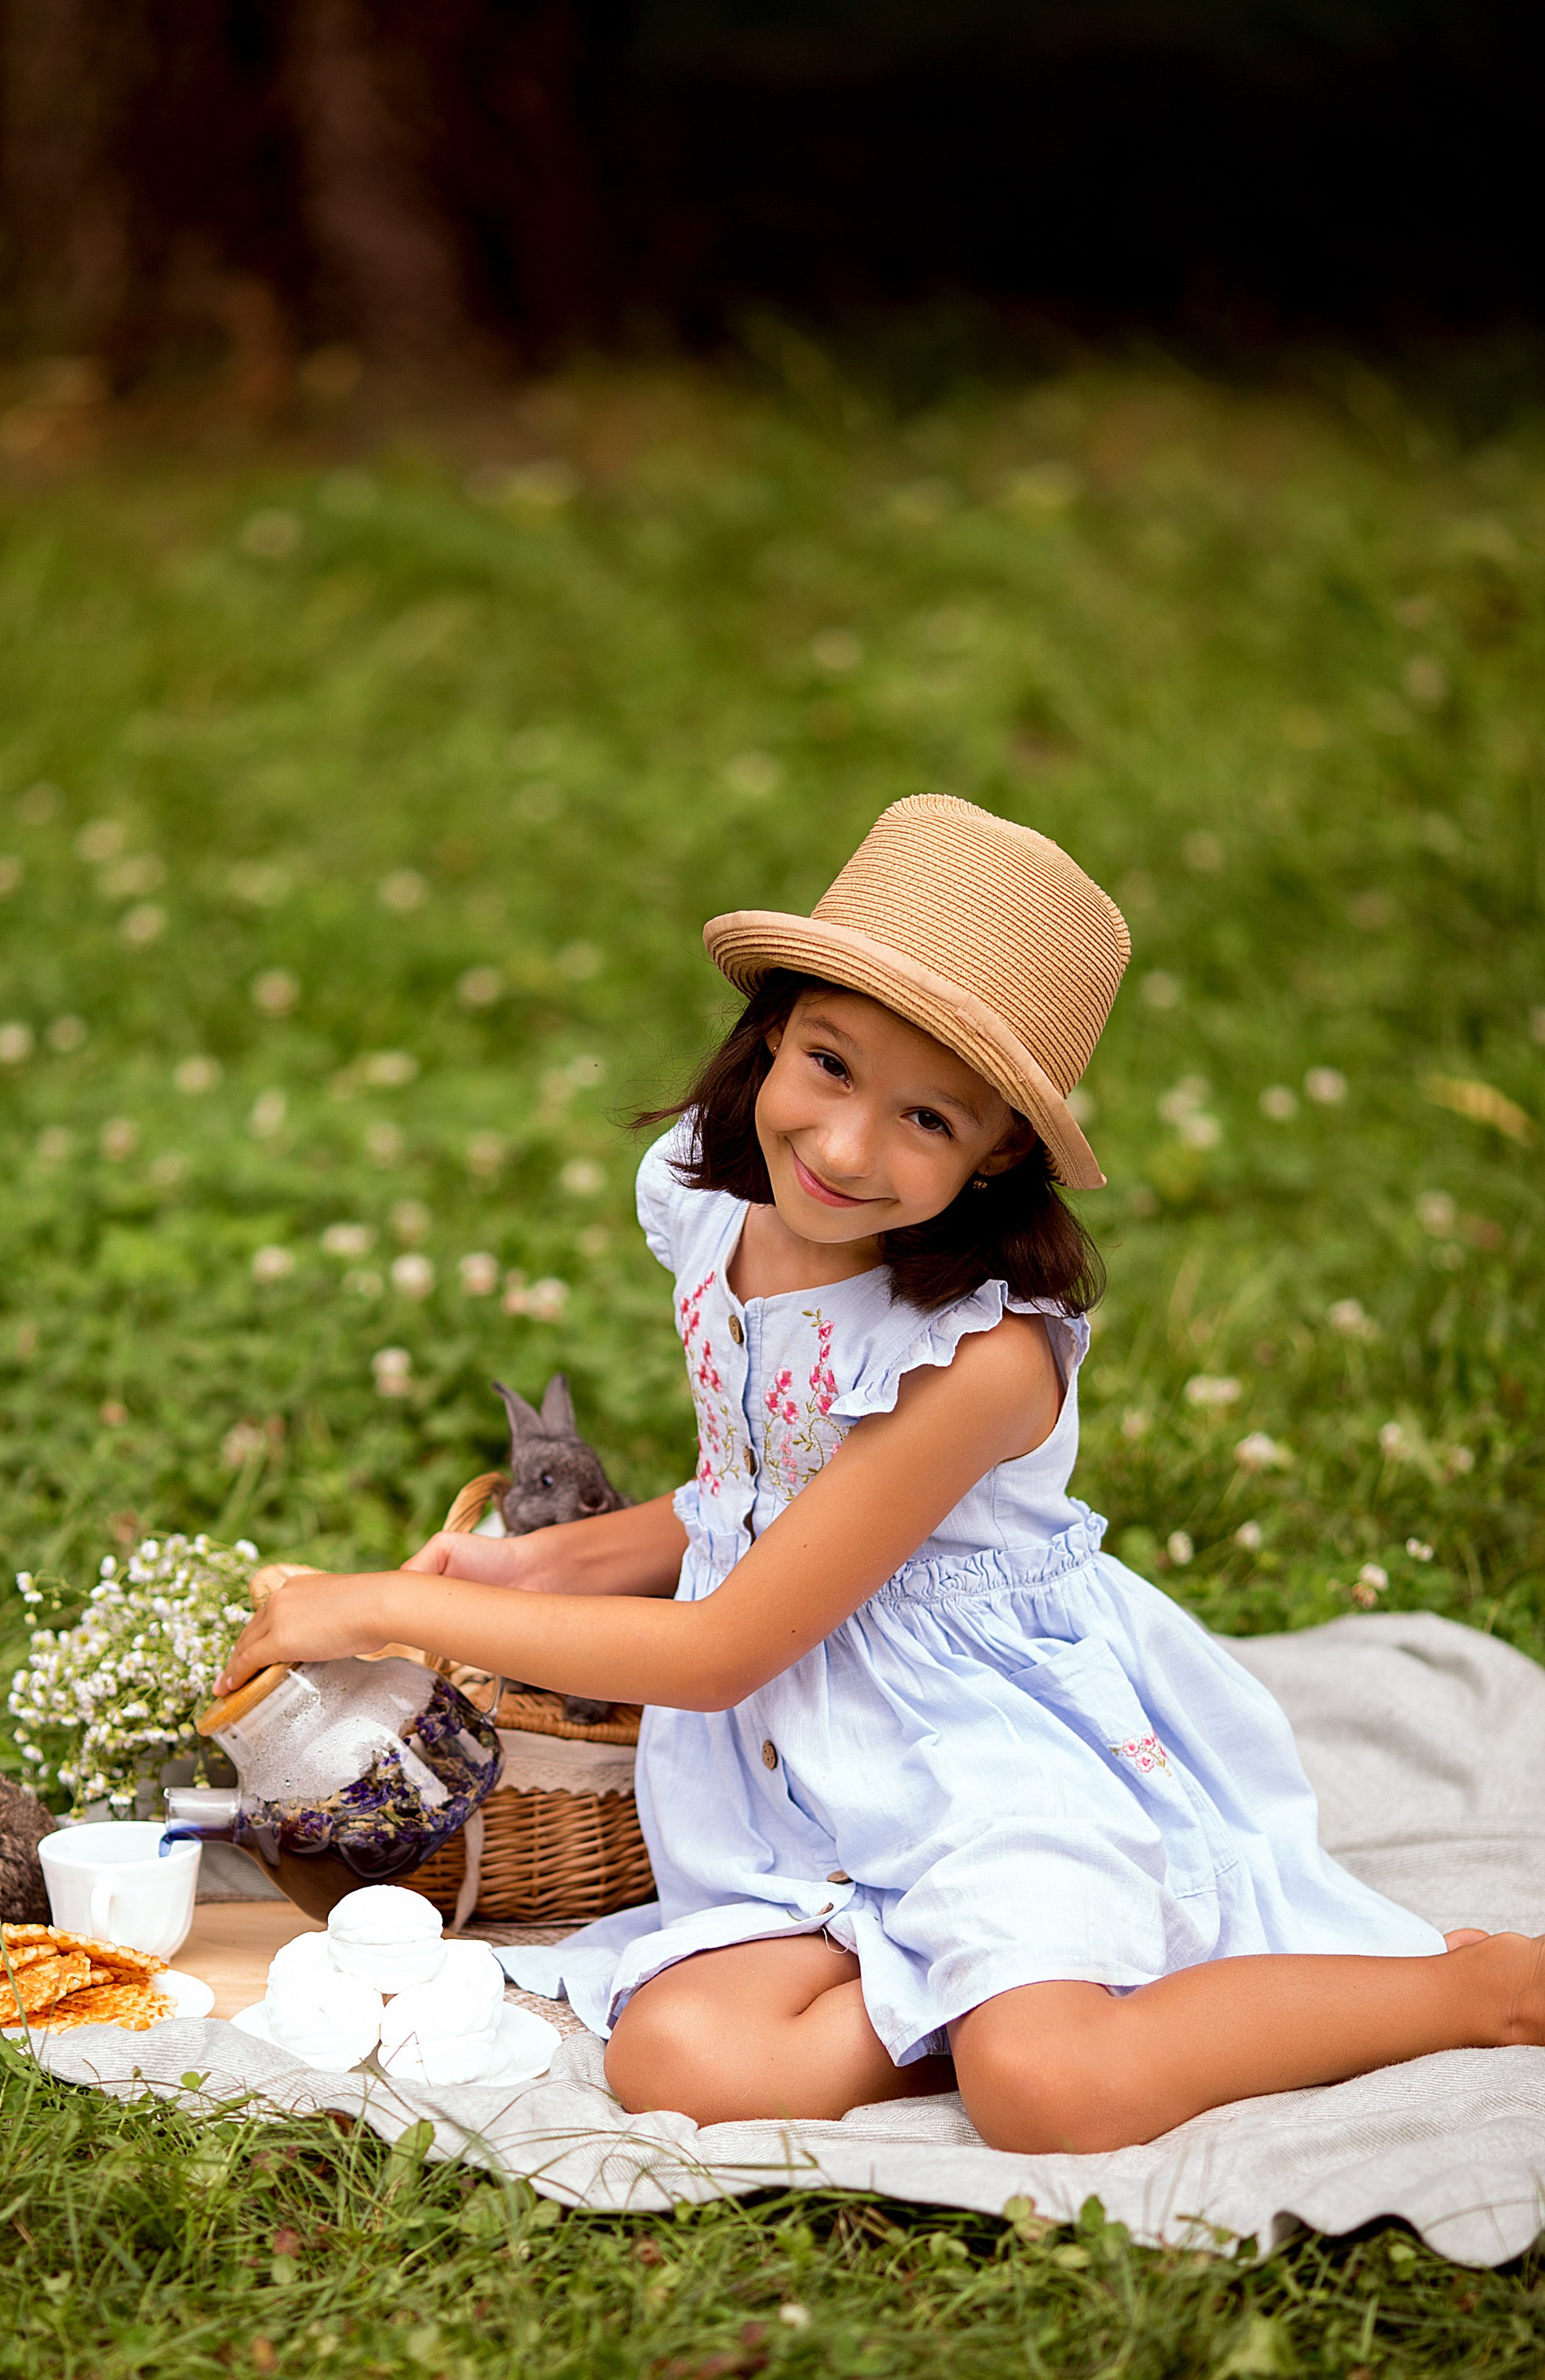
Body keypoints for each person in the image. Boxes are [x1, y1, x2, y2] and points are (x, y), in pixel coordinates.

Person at [217, 793, 1541, 2148]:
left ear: (1001, 1151)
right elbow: (750, 1501)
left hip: (979, 1749)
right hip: (807, 1770)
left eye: (928, 1118)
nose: (846, 1149)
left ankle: (1470, 1990)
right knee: (685, 2057)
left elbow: (727, 1644)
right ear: (773, 1029)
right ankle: (999, 1990)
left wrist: (385, 1606)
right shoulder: (717, 1212)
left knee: (1049, 2094)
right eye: (832, 1067)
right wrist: (534, 1563)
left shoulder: (977, 1358)